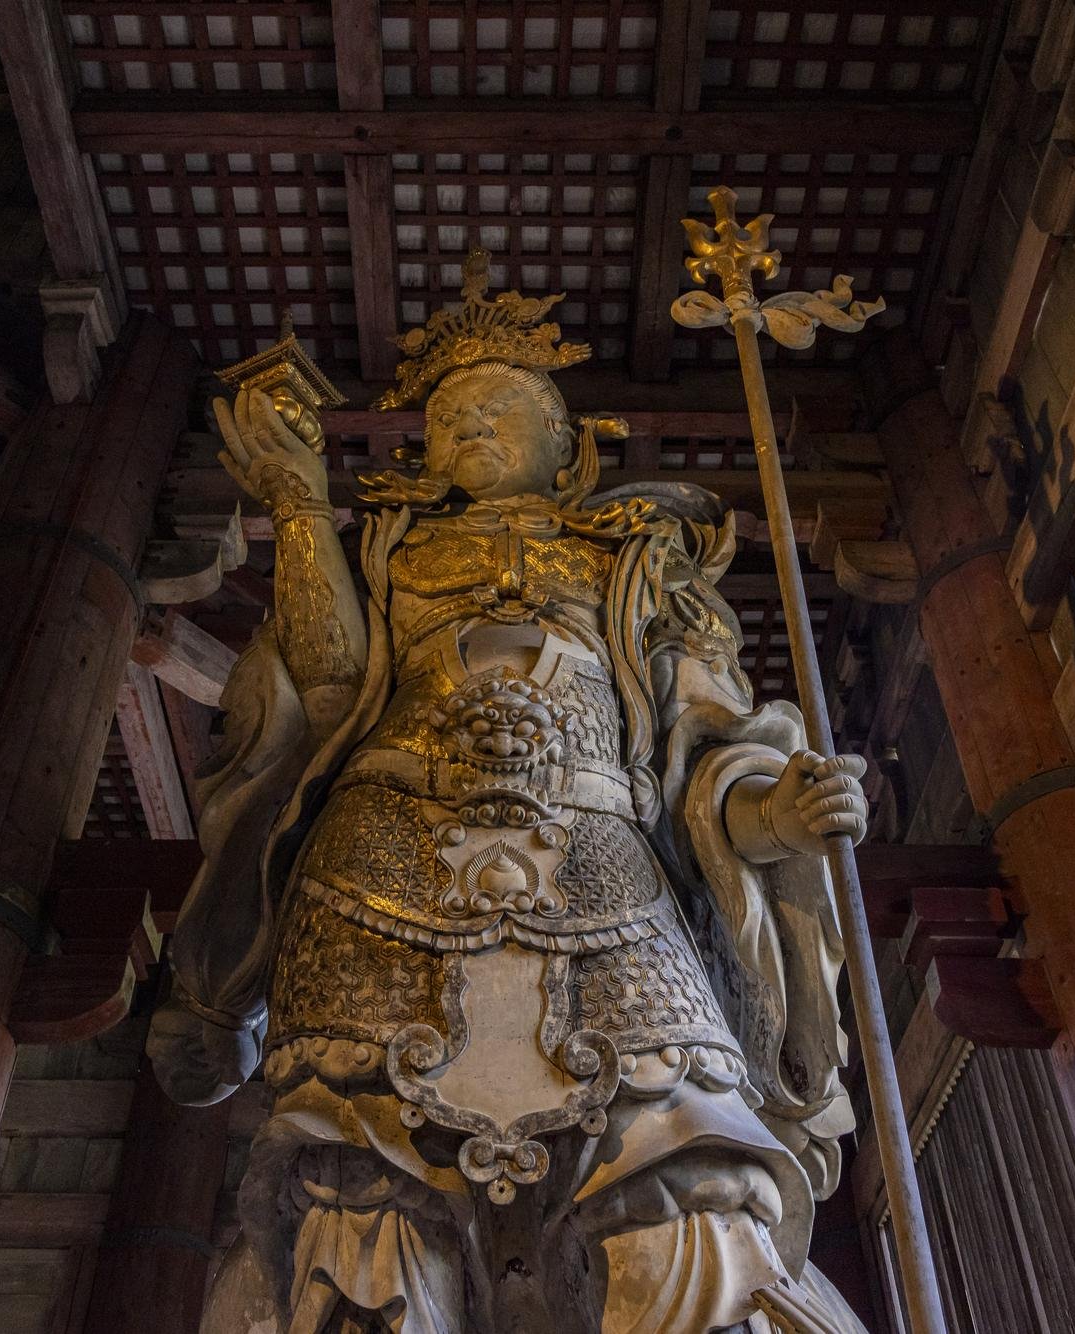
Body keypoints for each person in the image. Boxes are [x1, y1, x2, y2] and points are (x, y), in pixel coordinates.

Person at [150, 251, 872, 1333]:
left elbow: (705, 741)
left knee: (685, 1157)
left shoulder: (636, 564)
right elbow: (330, 687)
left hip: (604, 861)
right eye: (447, 419)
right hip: (381, 862)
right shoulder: (386, 548)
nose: (471, 426)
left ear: (567, 447)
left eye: (499, 408)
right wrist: (300, 503)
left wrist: (775, 813)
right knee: (364, 1177)